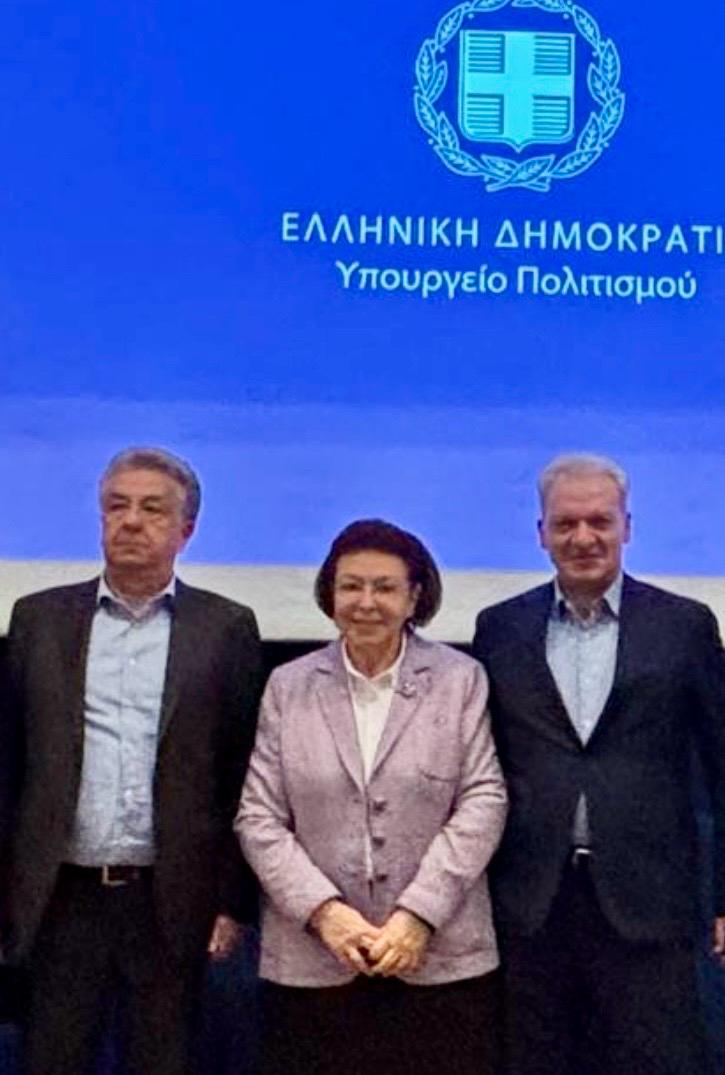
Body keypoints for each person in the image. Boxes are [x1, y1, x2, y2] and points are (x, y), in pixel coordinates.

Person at [2, 446, 262, 1075]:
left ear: (186, 531)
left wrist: (231, 901)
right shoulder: (39, 619)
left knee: (163, 1060)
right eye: (116, 506)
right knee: (51, 1059)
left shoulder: (224, 628)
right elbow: (11, 764)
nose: (131, 521)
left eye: (152, 509)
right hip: (61, 895)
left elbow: (240, 772)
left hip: (170, 898)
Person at [473, 453, 725, 1075]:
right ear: (541, 534)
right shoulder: (499, 629)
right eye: (565, 524)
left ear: (627, 527)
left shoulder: (685, 626)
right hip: (531, 902)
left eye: (599, 521)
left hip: (651, 901)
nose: (583, 538)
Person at [236, 518, 507, 1075]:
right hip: (314, 961)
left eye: (384, 587)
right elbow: (258, 816)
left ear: (414, 598)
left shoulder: (460, 680)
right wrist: (327, 915)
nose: (366, 602)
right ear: (329, 595)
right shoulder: (288, 685)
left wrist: (417, 916)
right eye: (351, 586)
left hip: (439, 958)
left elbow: (484, 799)